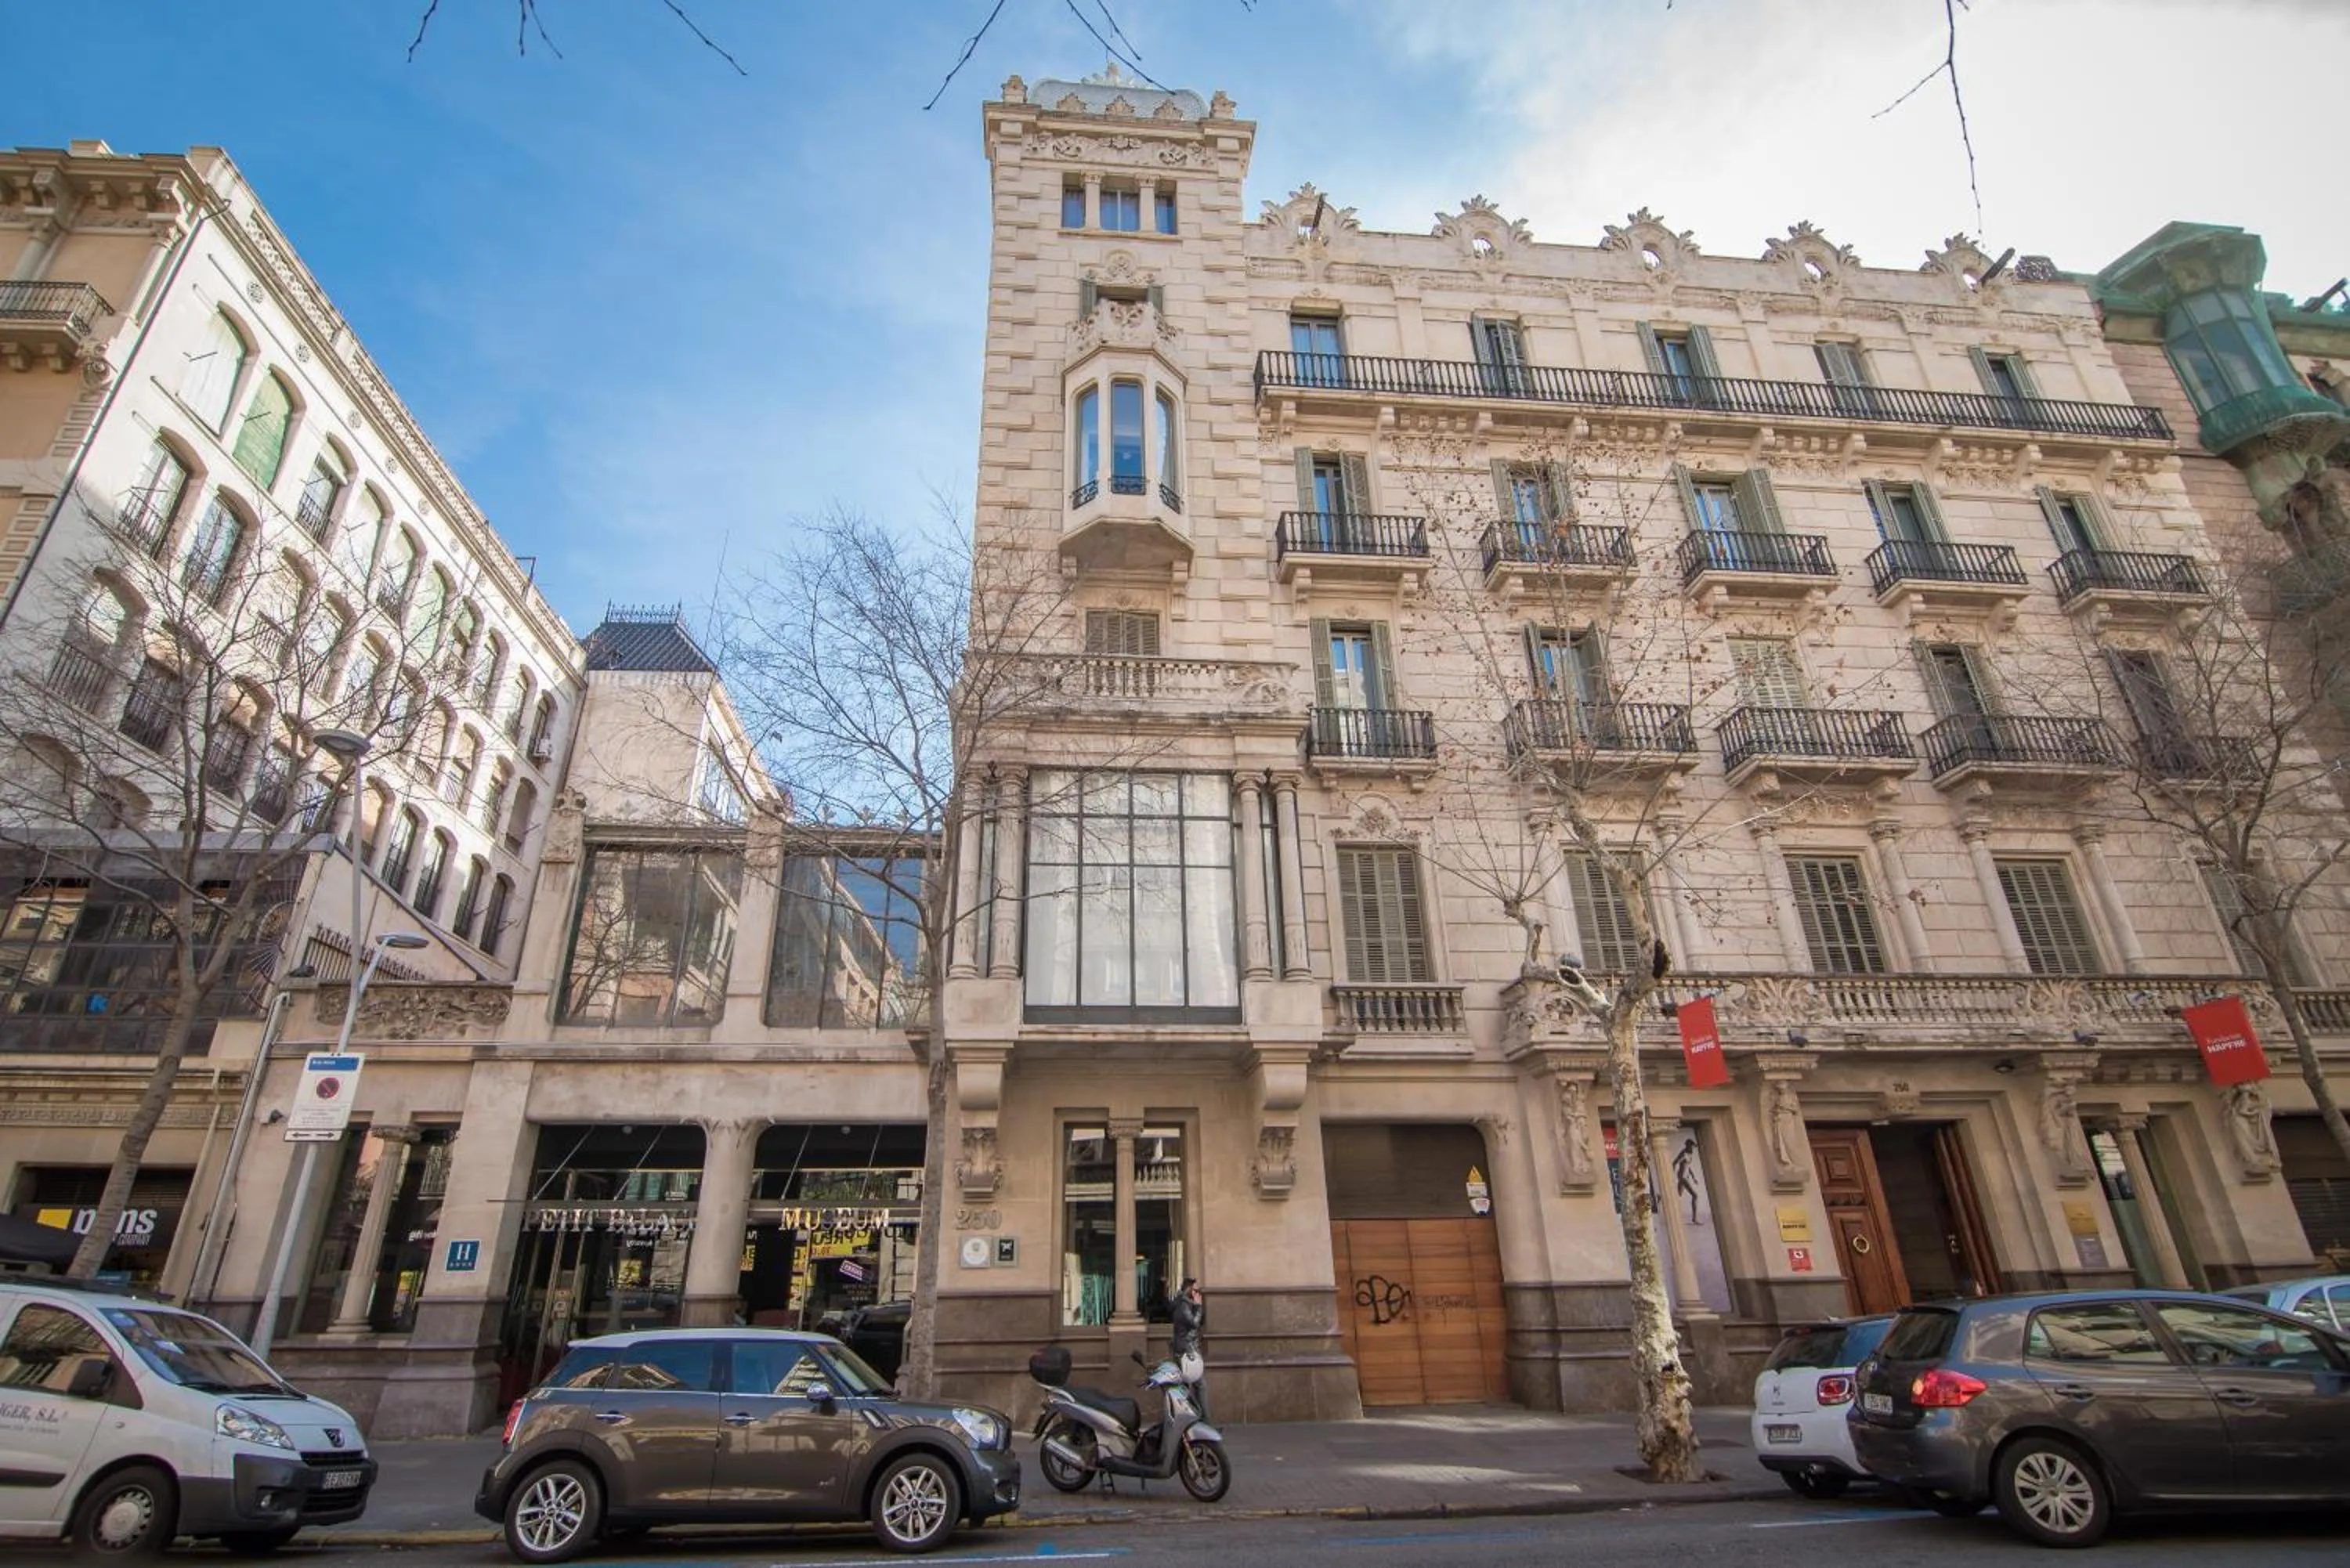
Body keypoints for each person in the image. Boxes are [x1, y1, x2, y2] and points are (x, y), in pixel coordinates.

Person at [1169, 1277, 1207, 1419]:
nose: (1198, 1294)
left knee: (1187, 1386)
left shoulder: (1183, 1303)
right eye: (1196, 1290)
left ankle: (1192, 1419)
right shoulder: (1184, 1305)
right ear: (1190, 1289)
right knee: (1200, 1386)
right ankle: (1204, 1422)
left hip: (1185, 1350)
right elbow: (1194, 1323)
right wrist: (1199, 1307)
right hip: (1187, 1352)